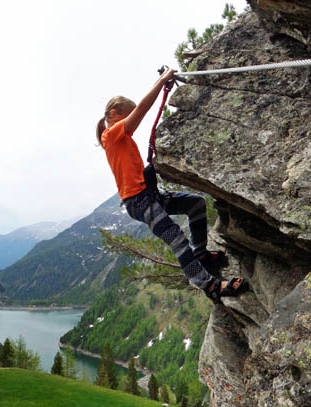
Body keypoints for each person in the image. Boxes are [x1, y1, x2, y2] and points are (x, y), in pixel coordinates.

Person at [96, 67, 247, 302]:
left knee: (195, 204)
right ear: (114, 114)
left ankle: (200, 253)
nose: (131, 120)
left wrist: (162, 78)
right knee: (176, 238)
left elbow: (138, 113)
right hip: (140, 201)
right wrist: (161, 82)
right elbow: (142, 110)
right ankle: (209, 286)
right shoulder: (111, 135)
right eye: (127, 115)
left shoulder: (121, 139)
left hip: (148, 195)